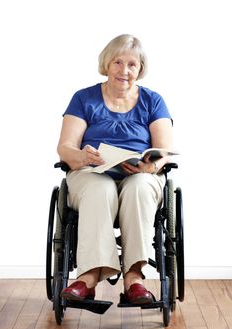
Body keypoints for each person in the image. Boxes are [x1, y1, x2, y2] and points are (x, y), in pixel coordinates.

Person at [58, 34, 173, 305]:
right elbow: (64, 148)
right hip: (92, 173)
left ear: (140, 69)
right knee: (101, 187)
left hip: (140, 176)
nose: (124, 70)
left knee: (139, 188)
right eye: (118, 62)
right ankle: (87, 278)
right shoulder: (83, 98)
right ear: (106, 64)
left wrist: (151, 165)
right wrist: (81, 155)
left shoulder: (153, 101)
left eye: (132, 64)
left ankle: (134, 279)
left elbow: (164, 151)